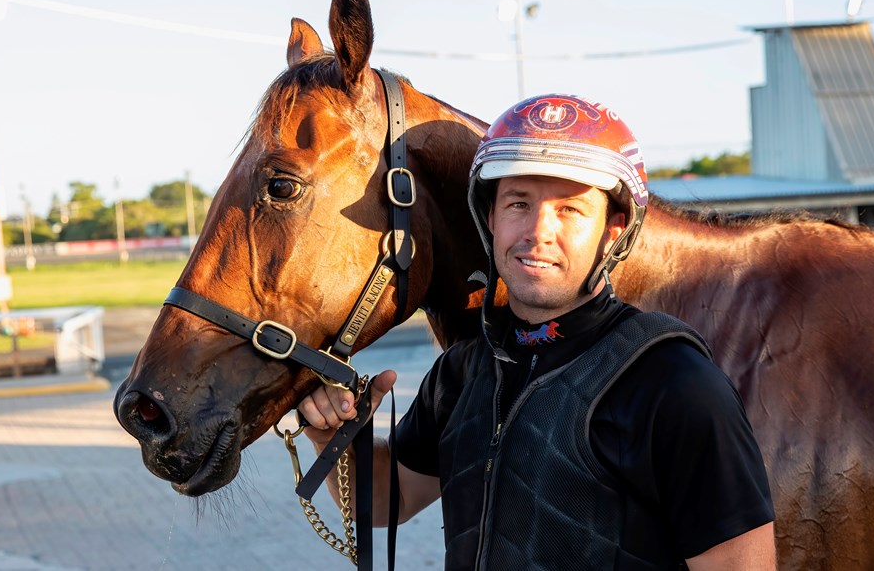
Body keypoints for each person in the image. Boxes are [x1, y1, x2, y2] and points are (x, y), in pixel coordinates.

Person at [299, 94, 776, 570]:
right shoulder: (462, 371)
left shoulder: (674, 381)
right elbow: (390, 499)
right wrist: (333, 436)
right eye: (518, 203)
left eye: (569, 210)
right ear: (490, 219)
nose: (537, 231)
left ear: (613, 231)